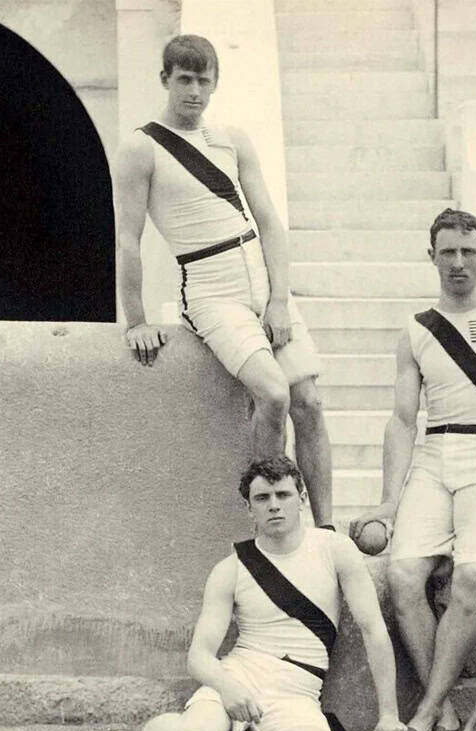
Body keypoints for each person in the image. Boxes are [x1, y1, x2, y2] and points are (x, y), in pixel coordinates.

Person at [49, 455, 407, 731]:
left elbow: (373, 631)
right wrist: (227, 687)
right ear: (249, 508)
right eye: (262, 499)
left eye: (283, 495)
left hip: (297, 692)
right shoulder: (231, 569)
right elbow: (199, 656)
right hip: (239, 676)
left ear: (302, 499)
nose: (274, 506)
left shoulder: (335, 550)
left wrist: (389, 714)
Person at [115, 34, 333, 527]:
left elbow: (271, 224)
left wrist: (279, 299)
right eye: (184, 79)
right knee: (273, 394)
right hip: (210, 288)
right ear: (165, 80)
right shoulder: (140, 146)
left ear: (215, 83)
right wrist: (136, 321)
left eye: (203, 80)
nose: (194, 91)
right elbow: (128, 239)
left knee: (310, 402)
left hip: (260, 276)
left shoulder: (231, 138)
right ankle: (269, 520)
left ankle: (325, 528)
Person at [349, 209, 476, 731]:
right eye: (448, 252)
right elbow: (404, 420)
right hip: (436, 454)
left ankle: (426, 714)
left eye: (468, 251)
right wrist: (390, 496)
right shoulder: (415, 330)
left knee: (471, 577)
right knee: (405, 576)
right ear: (431, 256)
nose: (459, 263)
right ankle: (447, 713)